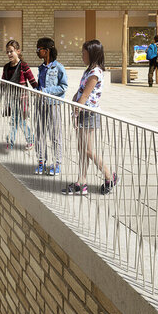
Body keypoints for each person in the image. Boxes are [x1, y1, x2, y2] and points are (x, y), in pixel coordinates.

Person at [64, 39, 117, 196]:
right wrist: (74, 102)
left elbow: (86, 95)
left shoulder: (95, 73)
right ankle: (82, 182)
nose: (82, 55)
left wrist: (75, 113)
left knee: (87, 150)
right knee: (82, 150)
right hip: (82, 112)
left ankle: (109, 175)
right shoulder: (89, 70)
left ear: (92, 54)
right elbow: (80, 91)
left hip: (89, 114)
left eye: (84, 53)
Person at [33, 37, 68, 175]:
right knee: (40, 133)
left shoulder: (59, 67)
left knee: (55, 135)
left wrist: (45, 91)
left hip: (54, 105)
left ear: (46, 51)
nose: (37, 52)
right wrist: (36, 91)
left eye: (38, 49)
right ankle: (41, 161)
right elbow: (40, 85)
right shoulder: (41, 68)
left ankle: (57, 163)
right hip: (40, 104)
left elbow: (63, 86)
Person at [0, 39, 36, 152]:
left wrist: (39, 92)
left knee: (19, 121)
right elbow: (3, 83)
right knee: (16, 120)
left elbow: (32, 80)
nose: (9, 54)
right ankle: (21, 141)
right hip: (12, 98)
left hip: (22, 99)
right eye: (7, 52)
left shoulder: (23, 66)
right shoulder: (6, 67)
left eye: (11, 51)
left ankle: (13, 141)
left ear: (18, 51)